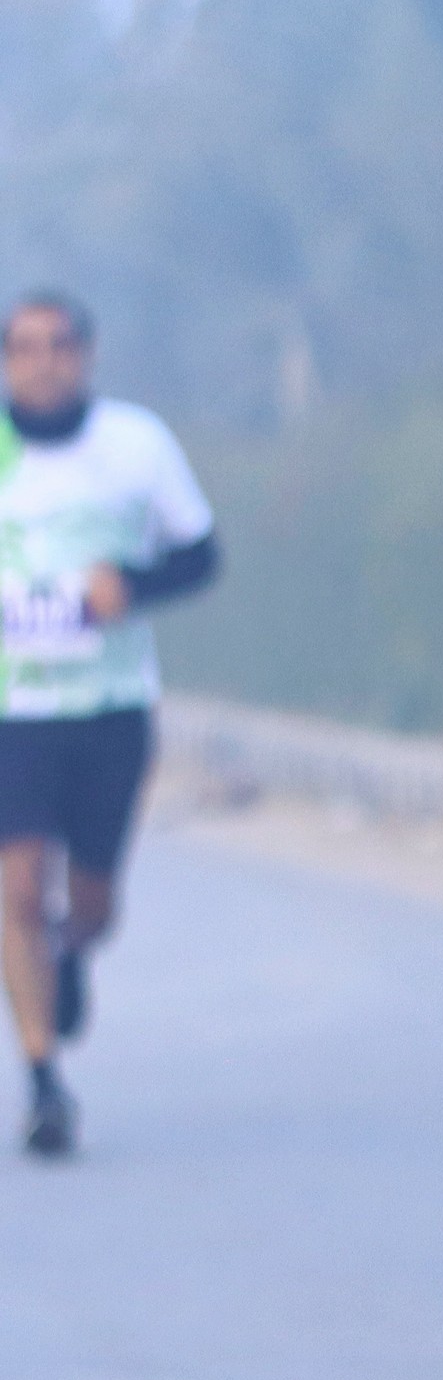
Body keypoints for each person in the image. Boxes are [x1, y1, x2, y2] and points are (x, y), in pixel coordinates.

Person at [0, 292, 219, 1160]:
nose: (43, 362)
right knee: (17, 888)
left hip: (110, 707)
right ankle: (43, 1079)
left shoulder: (136, 445)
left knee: (91, 902)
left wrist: (131, 586)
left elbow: (201, 554)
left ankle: (70, 952)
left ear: (86, 355)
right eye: (25, 347)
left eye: (60, 345)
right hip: (13, 712)